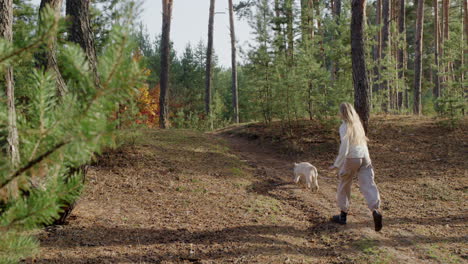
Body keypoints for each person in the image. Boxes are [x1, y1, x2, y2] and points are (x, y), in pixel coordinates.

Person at [328, 102, 382, 232]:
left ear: (343, 113)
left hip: (352, 158)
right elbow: (363, 142)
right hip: (365, 157)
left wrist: (337, 164)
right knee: (368, 184)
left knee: (344, 184)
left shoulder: (344, 126)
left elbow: (344, 147)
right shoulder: (358, 125)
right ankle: (375, 210)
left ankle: (343, 216)